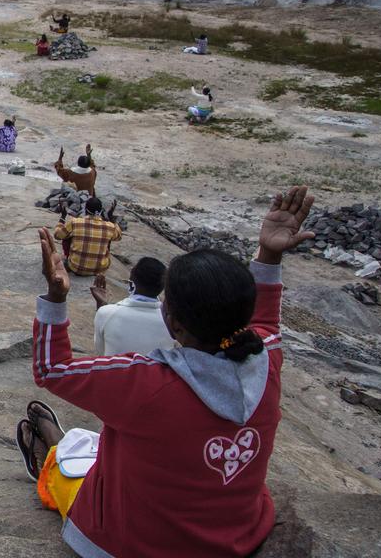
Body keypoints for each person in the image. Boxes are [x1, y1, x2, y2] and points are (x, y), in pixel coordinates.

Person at [15, 186, 311, 558]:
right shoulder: (267, 361)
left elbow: (52, 369)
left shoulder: (147, 383)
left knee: (73, 469)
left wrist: (56, 298)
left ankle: (47, 447)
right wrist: (269, 253)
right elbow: (267, 320)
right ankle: (52, 436)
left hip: (128, 544)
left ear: (173, 322)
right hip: (238, 538)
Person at [89, 257, 172, 355]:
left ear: (132, 282)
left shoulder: (106, 313)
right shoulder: (171, 321)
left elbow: (101, 351)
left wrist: (102, 306)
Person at [53, 196, 120, 276]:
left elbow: (58, 235)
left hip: (75, 267)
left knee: (67, 236)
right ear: (101, 211)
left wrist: (63, 217)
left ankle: (69, 259)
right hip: (100, 270)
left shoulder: (75, 222)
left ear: (85, 209)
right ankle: (97, 262)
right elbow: (118, 236)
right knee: (107, 237)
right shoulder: (110, 226)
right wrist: (111, 219)